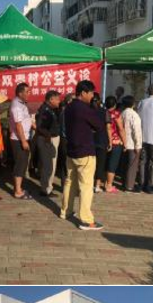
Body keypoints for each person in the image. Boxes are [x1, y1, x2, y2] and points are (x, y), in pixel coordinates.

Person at [60, 80, 105, 231]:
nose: (92, 96)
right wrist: (96, 109)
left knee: (70, 182)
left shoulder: (69, 107)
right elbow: (99, 125)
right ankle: (86, 220)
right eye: (91, 93)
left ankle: (65, 211)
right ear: (84, 93)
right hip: (84, 151)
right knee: (86, 186)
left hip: (72, 150)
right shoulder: (84, 108)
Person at [9, 83, 33, 199]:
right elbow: (18, 125)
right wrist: (23, 141)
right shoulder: (16, 106)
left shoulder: (22, 104)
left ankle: (19, 188)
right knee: (20, 164)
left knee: (23, 164)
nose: (29, 94)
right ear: (20, 93)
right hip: (18, 139)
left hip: (24, 137)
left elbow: (26, 120)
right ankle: (18, 191)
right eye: (27, 92)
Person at [36, 90, 61, 197]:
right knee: (48, 166)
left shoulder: (50, 110)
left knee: (49, 165)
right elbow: (41, 127)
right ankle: (46, 189)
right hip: (47, 140)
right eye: (57, 99)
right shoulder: (45, 110)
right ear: (51, 99)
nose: (59, 101)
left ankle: (46, 187)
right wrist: (48, 137)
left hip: (50, 139)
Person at [121, 95, 143, 192]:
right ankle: (130, 186)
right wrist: (138, 145)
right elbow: (136, 131)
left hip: (124, 143)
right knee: (132, 166)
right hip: (132, 144)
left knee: (125, 165)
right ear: (133, 104)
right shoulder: (134, 115)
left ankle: (124, 183)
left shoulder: (122, 113)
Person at [105, 95, 126, 193]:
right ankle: (109, 185)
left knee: (106, 163)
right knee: (112, 164)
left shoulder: (103, 112)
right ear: (115, 104)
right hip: (115, 142)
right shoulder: (116, 114)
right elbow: (120, 129)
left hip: (104, 141)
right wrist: (125, 142)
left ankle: (104, 182)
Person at [91, 93, 111, 193]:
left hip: (89, 139)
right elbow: (108, 127)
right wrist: (110, 141)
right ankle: (97, 185)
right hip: (102, 139)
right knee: (100, 163)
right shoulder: (104, 111)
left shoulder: (87, 111)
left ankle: (89, 183)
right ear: (99, 100)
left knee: (90, 163)